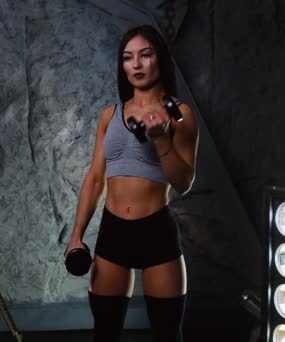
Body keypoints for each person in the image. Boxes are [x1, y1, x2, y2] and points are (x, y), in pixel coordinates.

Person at [64, 25, 198, 342]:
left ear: (159, 60)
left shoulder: (179, 114)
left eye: (145, 55)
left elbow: (184, 182)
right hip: (114, 233)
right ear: (122, 66)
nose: (136, 65)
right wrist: (76, 236)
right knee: (105, 333)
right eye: (128, 58)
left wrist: (162, 141)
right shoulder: (111, 115)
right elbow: (95, 179)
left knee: (167, 334)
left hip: (156, 232)